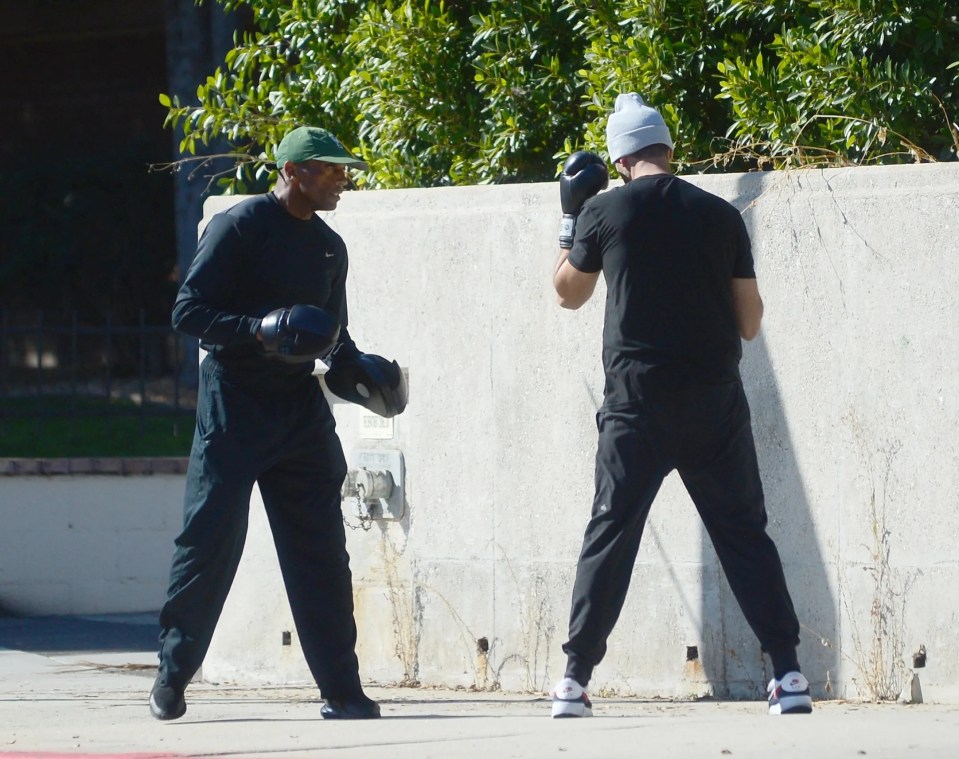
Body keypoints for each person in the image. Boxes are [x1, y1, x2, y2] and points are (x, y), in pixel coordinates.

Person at [550, 94, 812, 718]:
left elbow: (567, 294)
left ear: (619, 161)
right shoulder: (722, 216)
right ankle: (791, 674)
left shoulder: (604, 210)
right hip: (714, 406)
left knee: (610, 535)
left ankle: (574, 682)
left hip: (635, 406)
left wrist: (569, 220)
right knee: (745, 535)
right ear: (669, 151)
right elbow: (750, 324)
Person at [150, 126, 406, 722]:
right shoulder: (239, 228)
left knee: (320, 549)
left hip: (297, 408)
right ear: (294, 172)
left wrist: (368, 379)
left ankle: (341, 689)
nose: (343, 179)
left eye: (343, 171)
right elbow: (188, 312)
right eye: (331, 171)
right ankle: (172, 676)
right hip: (234, 403)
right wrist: (259, 328)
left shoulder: (330, 248)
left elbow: (330, 339)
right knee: (210, 542)